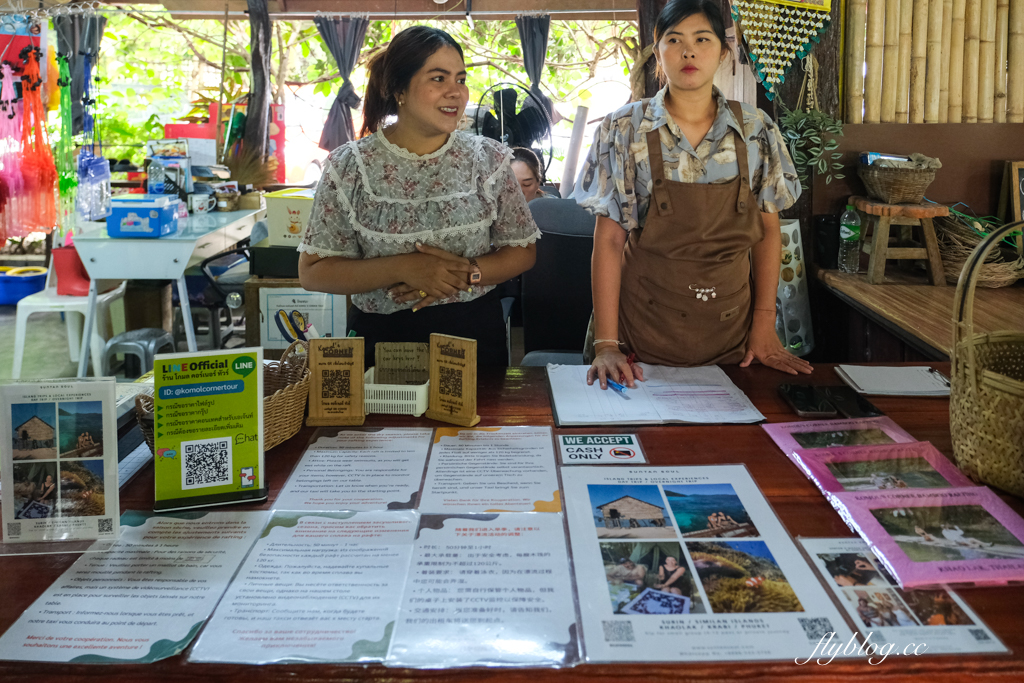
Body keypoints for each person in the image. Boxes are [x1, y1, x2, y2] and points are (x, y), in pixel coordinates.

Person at [573, 0, 813, 389]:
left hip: (732, 334)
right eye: (675, 39)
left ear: (722, 51)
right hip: (638, 334)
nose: (688, 51)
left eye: (702, 39)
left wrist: (765, 325)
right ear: (658, 50)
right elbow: (610, 240)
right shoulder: (623, 129)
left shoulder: (756, 129)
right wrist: (606, 344)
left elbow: (769, 234)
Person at [298, 26, 539, 367]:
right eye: (439, 79)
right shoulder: (349, 165)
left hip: (473, 339)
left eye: (461, 79)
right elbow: (313, 272)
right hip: (381, 344)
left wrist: (465, 273)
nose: (456, 93)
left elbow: (522, 251)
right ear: (398, 88)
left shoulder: (490, 159)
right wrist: (406, 267)